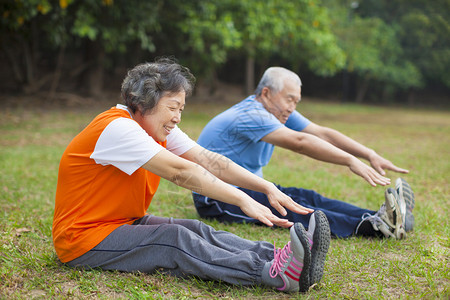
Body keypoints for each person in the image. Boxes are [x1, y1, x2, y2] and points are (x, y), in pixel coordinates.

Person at [52, 58, 332, 293]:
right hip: (83, 241)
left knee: (195, 229)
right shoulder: (117, 128)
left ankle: (279, 257)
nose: (177, 117)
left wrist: (265, 186)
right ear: (144, 102)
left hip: (120, 222)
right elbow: (181, 172)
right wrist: (241, 198)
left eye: (181, 109)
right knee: (173, 239)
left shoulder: (154, 127)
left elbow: (208, 160)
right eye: (172, 107)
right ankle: (274, 273)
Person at [193, 66, 416, 239]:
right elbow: (300, 142)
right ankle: (374, 227)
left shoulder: (276, 111)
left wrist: (369, 154)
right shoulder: (252, 115)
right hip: (217, 198)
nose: (292, 107)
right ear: (267, 93)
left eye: (296, 101)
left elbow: (321, 133)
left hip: (248, 187)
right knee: (295, 208)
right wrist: (349, 160)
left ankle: (382, 217)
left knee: (307, 197)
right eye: (289, 99)